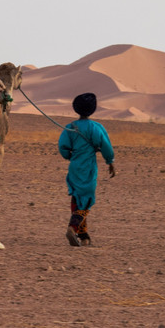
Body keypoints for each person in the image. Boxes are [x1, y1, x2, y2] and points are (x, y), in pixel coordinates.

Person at [58, 92, 116, 247]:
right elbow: (105, 146)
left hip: (74, 167)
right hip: (88, 167)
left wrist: (70, 156)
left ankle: (83, 235)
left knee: (77, 197)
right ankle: (73, 227)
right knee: (87, 199)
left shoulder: (70, 127)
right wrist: (110, 162)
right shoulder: (96, 127)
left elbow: (62, 147)